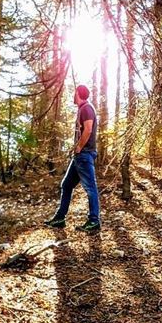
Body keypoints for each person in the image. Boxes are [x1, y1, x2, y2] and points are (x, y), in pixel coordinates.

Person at [44, 84, 101, 233]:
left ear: (79, 94)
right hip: (79, 157)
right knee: (66, 185)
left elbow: (88, 129)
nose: (73, 96)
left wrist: (79, 147)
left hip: (84, 155)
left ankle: (94, 221)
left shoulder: (87, 108)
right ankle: (60, 218)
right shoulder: (83, 109)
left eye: (74, 93)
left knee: (90, 188)